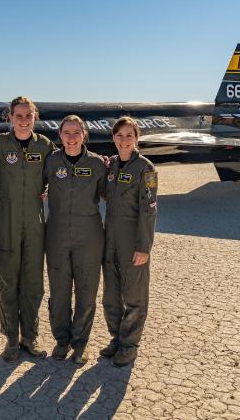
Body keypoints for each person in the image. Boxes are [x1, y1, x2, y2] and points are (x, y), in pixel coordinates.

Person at [0, 96, 54, 362]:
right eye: (18, 116)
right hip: (6, 222)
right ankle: (11, 339)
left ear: (34, 118)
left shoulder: (45, 146)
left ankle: (30, 338)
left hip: (34, 225)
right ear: (10, 118)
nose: (23, 121)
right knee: (8, 282)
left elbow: (60, 171)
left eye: (28, 116)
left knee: (33, 284)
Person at [43, 115, 106, 365]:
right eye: (66, 133)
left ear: (84, 135)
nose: (71, 138)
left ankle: (80, 343)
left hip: (88, 234)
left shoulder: (98, 164)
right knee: (59, 291)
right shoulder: (50, 161)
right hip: (57, 232)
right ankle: (61, 340)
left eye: (76, 132)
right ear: (59, 136)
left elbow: (110, 194)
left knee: (86, 290)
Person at [100, 116, 158, 367]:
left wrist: (143, 247)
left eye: (129, 136)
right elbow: (103, 193)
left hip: (133, 240)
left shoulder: (145, 169)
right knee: (111, 296)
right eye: (119, 135)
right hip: (110, 238)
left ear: (137, 139)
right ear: (113, 138)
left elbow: (149, 210)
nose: (124, 140)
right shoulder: (110, 165)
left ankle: (130, 345)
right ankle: (117, 338)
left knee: (134, 296)